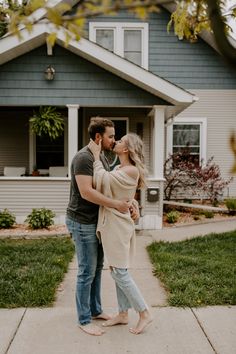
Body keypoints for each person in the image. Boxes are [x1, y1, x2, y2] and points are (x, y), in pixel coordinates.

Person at [66, 118, 139, 336]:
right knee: (86, 271)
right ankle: (84, 319)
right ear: (98, 137)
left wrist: (132, 203)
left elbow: (111, 186)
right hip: (82, 221)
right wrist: (116, 204)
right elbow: (87, 192)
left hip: (97, 222)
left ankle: (96, 310)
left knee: (96, 269)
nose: (113, 140)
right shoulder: (83, 158)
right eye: (110, 136)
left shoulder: (103, 158)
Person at [88, 133, 152, 335]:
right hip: (112, 224)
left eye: (121, 140)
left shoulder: (131, 170)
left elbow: (101, 179)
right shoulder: (120, 168)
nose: (116, 141)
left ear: (126, 149)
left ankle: (144, 312)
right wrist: (133, 203)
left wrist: (96, 156)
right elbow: (121, 194)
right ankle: (123, 314)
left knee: (120, 272)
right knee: (116, 271)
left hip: (118, 226)